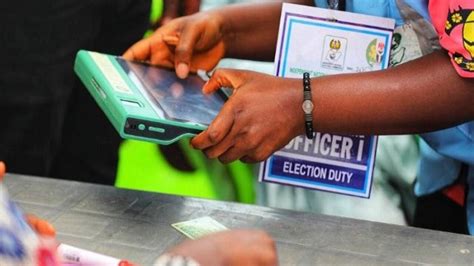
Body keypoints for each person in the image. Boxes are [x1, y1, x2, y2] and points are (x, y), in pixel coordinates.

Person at [124, 0, 474, 234]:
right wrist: (224, 30)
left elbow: (467, 76)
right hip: (448, 180)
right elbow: (339, 14)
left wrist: (300, 102)